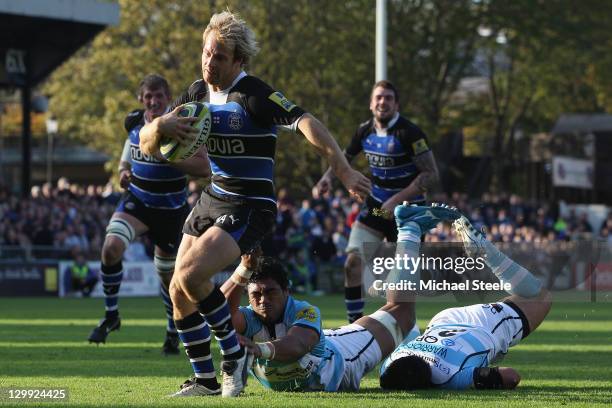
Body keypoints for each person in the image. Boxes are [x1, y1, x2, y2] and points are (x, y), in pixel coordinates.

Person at [138, 11, 370, 397]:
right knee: (178, 288)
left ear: (239, 61)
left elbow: (306, 121)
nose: (209, 63)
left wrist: (342, 169)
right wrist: (160, 127)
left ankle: (233, 354)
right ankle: (207, 382)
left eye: (220, 57)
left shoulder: (254, 95)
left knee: (192, 276)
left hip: (250, 204)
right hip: (214, 196)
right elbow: (149, 145)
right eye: (206, 53)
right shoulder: (196, 95)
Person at [211, 203, 460, 393]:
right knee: (399, 317)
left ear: (287, 291)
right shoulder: (249, 317)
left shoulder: (303, 311)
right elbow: (219, 312)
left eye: (271, 292)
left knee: (402, 313)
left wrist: (257, 348)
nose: (263, 299)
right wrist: (243, 271)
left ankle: (408, 229)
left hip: (342, 357)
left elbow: (297, 346)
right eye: (256, 294)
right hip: (325, 341)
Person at [87, 74, 210, 356]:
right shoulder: (133, 121)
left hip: (170, 212)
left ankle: (171, 330)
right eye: (148, 97)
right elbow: (127, 152)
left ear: (168, 99)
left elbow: (204, 169)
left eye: (159, 96)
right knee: (111, 248)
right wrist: (122, 171)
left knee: (169, 280)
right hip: (139, 202)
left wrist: (167, 156)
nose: (153, 101)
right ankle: (111, 314)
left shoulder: (183, 124)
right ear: (141, 100)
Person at [314, 80, 440, 324]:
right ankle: (354, 327)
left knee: (401, 283)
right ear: (371, 104)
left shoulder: (410, 133)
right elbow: (344, 158)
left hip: (409, 213)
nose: (383, 102)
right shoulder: (364, 131)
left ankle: (403, 330)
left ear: (396, 104)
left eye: (388, 98)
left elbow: (431, 174)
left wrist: (397, 199)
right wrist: (327, 178)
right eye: (379, 97)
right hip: (376, 208)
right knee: (352, 264)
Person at [379, 214, 552, 390]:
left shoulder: (450, 378)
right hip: (443, 321)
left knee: (540, 296)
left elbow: (512, 376)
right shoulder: (390, 365)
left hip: (484, 325)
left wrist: (481, 376)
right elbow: (408, 328)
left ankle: (486, 251)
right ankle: (409, 230)